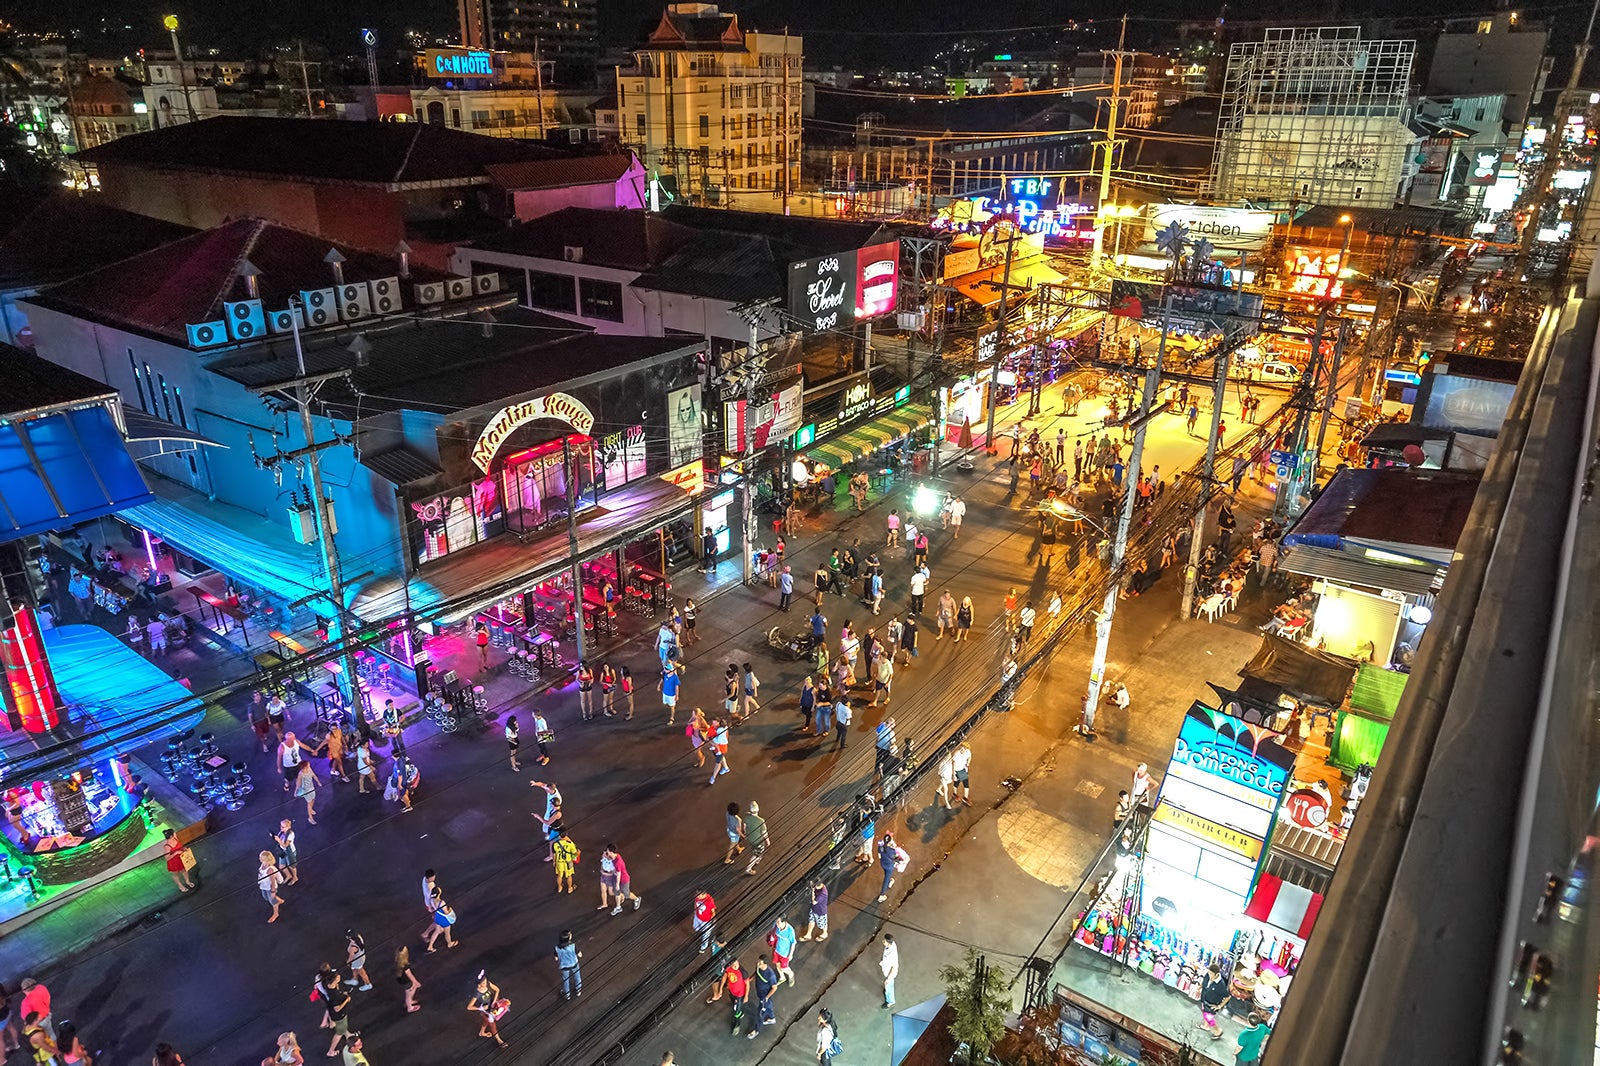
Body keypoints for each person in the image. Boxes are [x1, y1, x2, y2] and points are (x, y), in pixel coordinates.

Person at [468, 971, 508, 1046]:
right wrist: (480, 1008)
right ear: (479, 985)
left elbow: (497, 990)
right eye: (483, 983)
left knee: (486, 1021)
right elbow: (469, 1007)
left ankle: (482, 1032)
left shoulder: (488, 984)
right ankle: (499, 1040)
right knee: (492, 1025)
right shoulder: (477, 994)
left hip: (493, 1007)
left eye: (485, 981)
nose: (485, 984)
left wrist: (494, 1001)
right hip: (486, 1011)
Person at [1200, 961, 1230, 1039]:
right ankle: (1206, 1026)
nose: (1209, 975)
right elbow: (1204, 983)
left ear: (1216, 974)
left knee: (1209, 1018)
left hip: (1212, 1005)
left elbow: (1227, 997)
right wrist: (1199, 988)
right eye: (1209, 973)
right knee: (1204, 1013)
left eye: (1211, 974)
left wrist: (1219, 1006)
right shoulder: (1207, 975)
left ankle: (1218, 1031)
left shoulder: (1220, 985)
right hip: (1204, 1000)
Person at [752, 957, 779, 1034]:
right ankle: (771, 1018)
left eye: (760, 963)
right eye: (758, 962)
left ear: (765, 964)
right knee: (768, 1006)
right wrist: (749, 980)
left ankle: (756, 1030)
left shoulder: (770, 975)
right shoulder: (758, 968)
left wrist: (766, 997)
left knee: (760, 1013)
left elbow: (774, 988)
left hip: (764, 996)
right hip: (760, 993)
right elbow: (756, 973)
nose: (758, 964)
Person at [163, 828, 196, 893]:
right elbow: (167, 858)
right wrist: (176, 853)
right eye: (174, 833)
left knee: (184, 870)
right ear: (171, 836)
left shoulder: (175, 838)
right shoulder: (167, 846)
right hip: (174, 862)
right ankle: (180, 886)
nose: (175, 833)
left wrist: (183, 848)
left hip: (181, 858)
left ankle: (187, 881)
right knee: (176, 874)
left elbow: (180, 846)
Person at [743, 801, 770, 875]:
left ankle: (758, 859)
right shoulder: (761, 821)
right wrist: (768, 841)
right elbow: (764, 833)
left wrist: (745, 834)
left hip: (750, 838)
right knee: (756, 853)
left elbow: (744, 827)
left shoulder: (746, 818)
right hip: (758, 840)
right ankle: (749, 868)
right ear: (758, 810)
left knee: (755, 849)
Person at [555, 930, 583, 1000]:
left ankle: (567, 995)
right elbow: (580, 955)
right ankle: (578, 991)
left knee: (566, 980)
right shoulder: (573, 945)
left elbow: (556, 958)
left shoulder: (557, 948)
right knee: (577, 977)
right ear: (568, 938)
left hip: (564, 966)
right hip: (574, 964)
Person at [257, 850, 284, 923]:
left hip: (270, 888)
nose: (259, 859)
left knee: (272, 901)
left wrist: (273, 892)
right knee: (266, 897)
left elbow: (272, 882)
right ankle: (279, 900)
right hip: (263, 886)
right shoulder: (263, 864)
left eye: (261, 858)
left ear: (265, 860)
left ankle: (276, 913)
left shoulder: (270, 870)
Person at [293, 759, 322, 824]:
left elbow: (314, 775)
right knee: (309, 803)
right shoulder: (301, 774)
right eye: (308, 765)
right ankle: (310, 818)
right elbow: (298, 784)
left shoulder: (309, 769)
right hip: (306, 791)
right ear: (304, 767)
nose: (309, 765)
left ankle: (311, 809)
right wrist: (295, 792)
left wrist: (318, 782)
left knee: (313, 799)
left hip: (312, 788)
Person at [272, 819, 300, 886]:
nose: (281, 828)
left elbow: (285, 845)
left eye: (283, 827)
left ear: (288, 827)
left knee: (291, 866)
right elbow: (280, 842)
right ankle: (289, 875)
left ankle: (295, 877)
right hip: (283, 851)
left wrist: (278, 840)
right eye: (281, 826)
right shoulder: (282, 832)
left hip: (290, 852)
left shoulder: (290, 834)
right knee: (281, 866)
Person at [395, 945, 422, 1013]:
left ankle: (409, 1002)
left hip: (401, 980)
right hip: (407, 982)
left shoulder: (398, 961)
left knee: (411, 990)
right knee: (408, 995)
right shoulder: (405, 966)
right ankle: (409, 1007)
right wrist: (416, 982)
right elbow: (410, 975)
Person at [552, 829, 580, 894]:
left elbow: (554, 854)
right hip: (568, 862)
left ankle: (559, 887)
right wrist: (578, 853)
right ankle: (570, 888)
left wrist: (554, 862)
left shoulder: (555, 844)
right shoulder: (570, 844)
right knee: (569, 875)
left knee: (559, 875)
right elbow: (574, 854)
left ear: (559, 836)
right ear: (566, 835)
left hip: (559, 862)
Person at [880, 934, 899, 1007]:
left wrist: (888, 979)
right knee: (887, 987)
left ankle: (890, 1002)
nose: (883, 941)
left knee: (889, 988)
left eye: (884, 941)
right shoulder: (891, 944)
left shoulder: (892, 954)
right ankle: (887, 991)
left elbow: (894, 968)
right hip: (886, 969)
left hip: (890, 974)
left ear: (888, 942)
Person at [659, 662, 682, 726]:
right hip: (665, 693)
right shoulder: (665, 674)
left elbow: (677, 687)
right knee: (664, 703)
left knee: (672, 707)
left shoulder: (675, 678)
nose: (665, 670)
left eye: (666, 669)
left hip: (671, 695)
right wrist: (659, 685)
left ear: (669, 670)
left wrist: (677, 695)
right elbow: (662, 679)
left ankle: (672, 718)